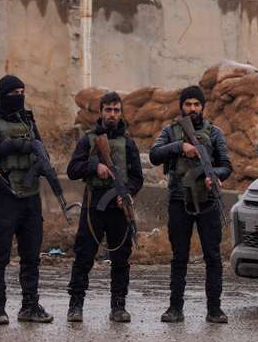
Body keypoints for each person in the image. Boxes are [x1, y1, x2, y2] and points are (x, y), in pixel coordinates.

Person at [149, 85, 233, 324]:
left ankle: (214, 309)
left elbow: (226, 165)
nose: (193, 108)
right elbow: (155, 154)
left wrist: (215, 174)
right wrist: (180, 147)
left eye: (197, 104)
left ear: (203, 107)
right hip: (179, 200)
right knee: (179, 257)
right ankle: (175, 308)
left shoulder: (215, 133)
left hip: (207, 202)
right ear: (182, 107)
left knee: (213, 257)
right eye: (188, 104)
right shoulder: (171, 131)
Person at [0, 74, 53, 325]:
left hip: (31, 195)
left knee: (31, 255)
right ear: (3, 95)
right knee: (0, 255)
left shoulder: (28, 121)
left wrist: (44, 164)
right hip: (7, 194)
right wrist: (13, 146)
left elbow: (40, 147)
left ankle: (30, 305)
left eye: (22, 91)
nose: (19, 97)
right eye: (14, 93)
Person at [65, 91, 143, 323]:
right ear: (101, 112)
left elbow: (138, 177)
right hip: (94, 205)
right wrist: (94, 166)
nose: (112, 114)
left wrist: (127, 193)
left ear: (121, 113)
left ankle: (118, 306)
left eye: (116, 110)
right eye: (108, 110)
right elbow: (72, 170)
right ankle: (75, 305)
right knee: (84, 255)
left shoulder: (128, 143)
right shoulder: (88, 139)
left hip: (118, 206)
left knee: (121, 256)